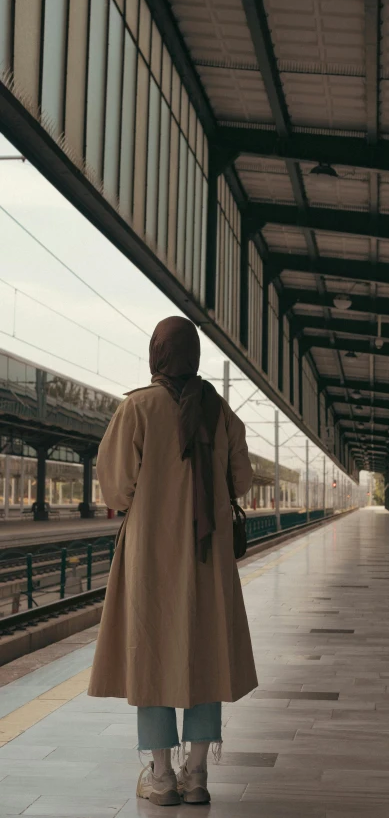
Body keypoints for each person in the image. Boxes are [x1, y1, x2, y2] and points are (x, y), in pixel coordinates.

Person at [88, 316, 257, 806]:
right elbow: (241, 481)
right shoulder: (221, 412)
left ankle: (161, 776)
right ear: (195, 356)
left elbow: (117, 488)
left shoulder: (137, 409)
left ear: (156, 355)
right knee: (206, 651)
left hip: (151, 558)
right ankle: (198, 772)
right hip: (208, 560)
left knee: (150, 651)